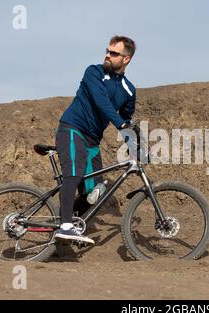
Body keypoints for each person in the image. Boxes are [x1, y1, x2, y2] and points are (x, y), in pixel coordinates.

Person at [54, 35, 137, 244]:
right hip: (72, 129)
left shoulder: (128, 90)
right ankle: (65, 226)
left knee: (96, 192)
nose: (108, 55)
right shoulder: (94, 72)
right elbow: (101, 102)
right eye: (107, 51)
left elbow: (127, 121)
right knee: (74, 172)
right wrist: (119, 123)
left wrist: (137, 147)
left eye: (114, 53)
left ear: (126, 59)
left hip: (92, 141)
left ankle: (63, 221)